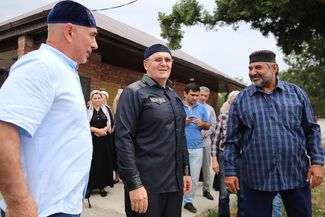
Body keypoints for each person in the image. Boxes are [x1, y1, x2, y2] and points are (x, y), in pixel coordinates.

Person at [0, 1, 98, 217]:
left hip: (59, 206)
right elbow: (3, 132)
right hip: (41, 210)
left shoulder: (64, 70)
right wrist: (19, 203)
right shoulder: (41, 65)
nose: (95, 44)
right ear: (70, 31)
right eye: (92, 35)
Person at [224, 50, 324, 217]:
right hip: (256, 176)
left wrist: (317, 162)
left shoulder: (296, 94)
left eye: (258, 67)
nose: (252, 72)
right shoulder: (241, 99)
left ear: (274, 68)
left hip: (295, 172)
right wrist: (230, 172)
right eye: (250, 68)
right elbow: (231, 140)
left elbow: (311, 129)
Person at [115, 44, 192, 217]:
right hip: (147, 187)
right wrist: (134, 184)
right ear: (146, 64)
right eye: (158, 59)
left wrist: (186, 171)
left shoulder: (174, 96)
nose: (164, 63)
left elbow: (181, 136)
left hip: (174, 185)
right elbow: (123, 139)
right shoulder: (134, 92)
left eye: (168, 60)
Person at [212, 91, 245, 217]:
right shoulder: (223, 117)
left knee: (242, 194)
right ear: (230, 102)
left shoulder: (246, 117)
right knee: (224, 194)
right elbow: (215, 141)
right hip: (224, 156)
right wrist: (214, 160)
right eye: (233, 101)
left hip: (242, 158)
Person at [183, 83, 210, 213]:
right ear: (185, 94)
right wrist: (184, 122)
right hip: (180, 148)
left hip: (197, 148)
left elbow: (208, 126)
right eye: (192, 95)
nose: (195, 98)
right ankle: (176, 199)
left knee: (193, 178)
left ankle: (188, 201)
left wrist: (202, 123)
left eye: (197, 95)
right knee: (177, 176)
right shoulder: (178, 106)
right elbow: (170, 124)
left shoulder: (202, 108)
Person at [86, 90, 115, 199]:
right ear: (91, 100)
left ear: (102, 99)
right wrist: (95, 130)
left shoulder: (106, 109)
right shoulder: (87, 110)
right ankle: (89, 187)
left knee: (103, 162)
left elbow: (110, 123)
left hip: (104, 141)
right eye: (95, 98)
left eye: (99, 98)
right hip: (92, 141)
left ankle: (102, 187)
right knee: (92, 163)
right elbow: (84, 124)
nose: (97, 100)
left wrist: (103, 130)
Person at [198, 86, 217, 200]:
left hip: (205, 142)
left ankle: (206, 190)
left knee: (206, 168)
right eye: (202, 95)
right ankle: (187, 191)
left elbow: (213, 125)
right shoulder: (192, 107)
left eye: (206, 96)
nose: (203, 98)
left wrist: (205, 133)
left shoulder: (210, 109)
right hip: (192, 143)